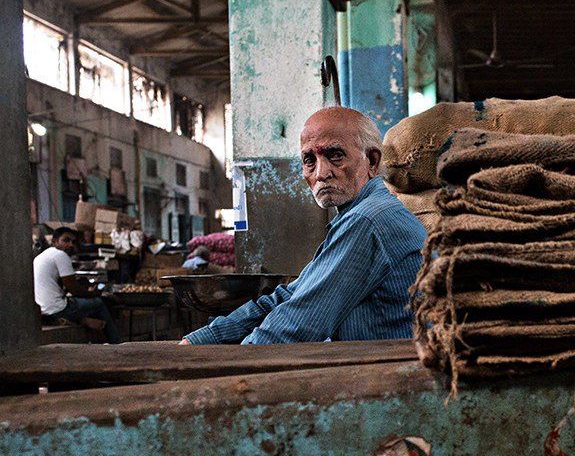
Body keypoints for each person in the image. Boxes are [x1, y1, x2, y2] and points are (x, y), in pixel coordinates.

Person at [180, 106, 425, 345]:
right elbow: (291, 296)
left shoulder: (368, 220)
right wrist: (205, 339)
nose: (321, 173)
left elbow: (300, 322)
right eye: (310, 159)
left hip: (386, 376)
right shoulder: (357, 216)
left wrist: (231, 362)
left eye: (335, 155)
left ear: (372, 162)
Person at [33, 227, 121, 344]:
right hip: (56, 309)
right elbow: (75, 290)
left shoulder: (42, 256)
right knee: (98, 304)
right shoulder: (60, 255)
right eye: (66, 240)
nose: (70, 245)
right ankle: (116, 342)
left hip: (42, 309)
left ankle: (91, 325)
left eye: (73, 242)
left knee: (84, 304)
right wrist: (94, 294)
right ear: (54, 242)